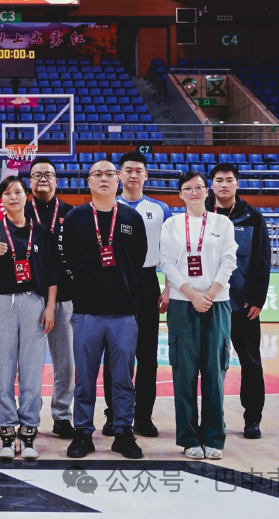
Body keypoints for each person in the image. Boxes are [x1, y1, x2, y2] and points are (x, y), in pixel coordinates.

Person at [62, 160, 148, 460]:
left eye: (109, 174)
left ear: (118, 179)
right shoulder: (75, 217)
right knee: (84, 379)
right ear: (88, 181)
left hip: (123, 313)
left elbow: (138, 259)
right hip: (86, 312)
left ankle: (123, 432)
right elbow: (68, 258)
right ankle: (83, 433)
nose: (103, 179)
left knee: (123, 379)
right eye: (97, 174)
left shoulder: (131, 218)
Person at [0, 176, 57, 461]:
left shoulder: (41, 233)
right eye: (7, 193)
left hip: (35, 302)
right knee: (3, 370)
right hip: (1, 302)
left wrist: (50, 306)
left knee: (32, 371)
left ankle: (29, 431)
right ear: (1, 199)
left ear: (26, 196)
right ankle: (7, 432)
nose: (13, 197)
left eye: (18, 192)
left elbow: (53, 274)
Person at [159, 171, 237, 460]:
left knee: (214, 373)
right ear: (180, 194)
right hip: (183, 304)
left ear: (207, 191)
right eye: (188, 188)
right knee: (185, 373)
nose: (194, 192)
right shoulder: (171, 225)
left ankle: (214, 437)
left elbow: (229, 260)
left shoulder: (222, 223)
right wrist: (192, 295)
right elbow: (167, 263)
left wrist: (210, 295)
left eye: (199, 187)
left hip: (217, 304)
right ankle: (189, 438)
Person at [102, 151, 171, 438]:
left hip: (146, 281)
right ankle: (114, 414)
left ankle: (143, 415)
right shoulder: (107, 205)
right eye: (128, 170)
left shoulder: (161, 209)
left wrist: (168, 287)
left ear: (146, 175)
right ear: (119, 175)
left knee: (147, 354)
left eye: (138, 170)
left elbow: (170, 252)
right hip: (115, 282)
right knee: (115, 353)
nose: (133, 175)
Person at [206, 163, 271, 440]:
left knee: (251, 363)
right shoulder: (200, 213)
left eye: (229, 179)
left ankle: (252, 419)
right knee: (209, 365)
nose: (224, 184)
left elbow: (262, 260)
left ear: (237, 183)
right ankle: (212, 419)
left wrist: (257, 298)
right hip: (208, 303)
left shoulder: (253, 217)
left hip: (243, 305)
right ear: (211, 184)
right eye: (219, 180)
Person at [24, 158, 76, 440]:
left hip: (65, 296)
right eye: (37, 174)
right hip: (28, 295)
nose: (43, 178)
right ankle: (28, 416)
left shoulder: (72, 213)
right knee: (27, 363)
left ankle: (62, 415)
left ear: (57, 180)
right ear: (29, 181)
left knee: (65, 361)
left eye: (48, 174)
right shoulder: (19, 211)